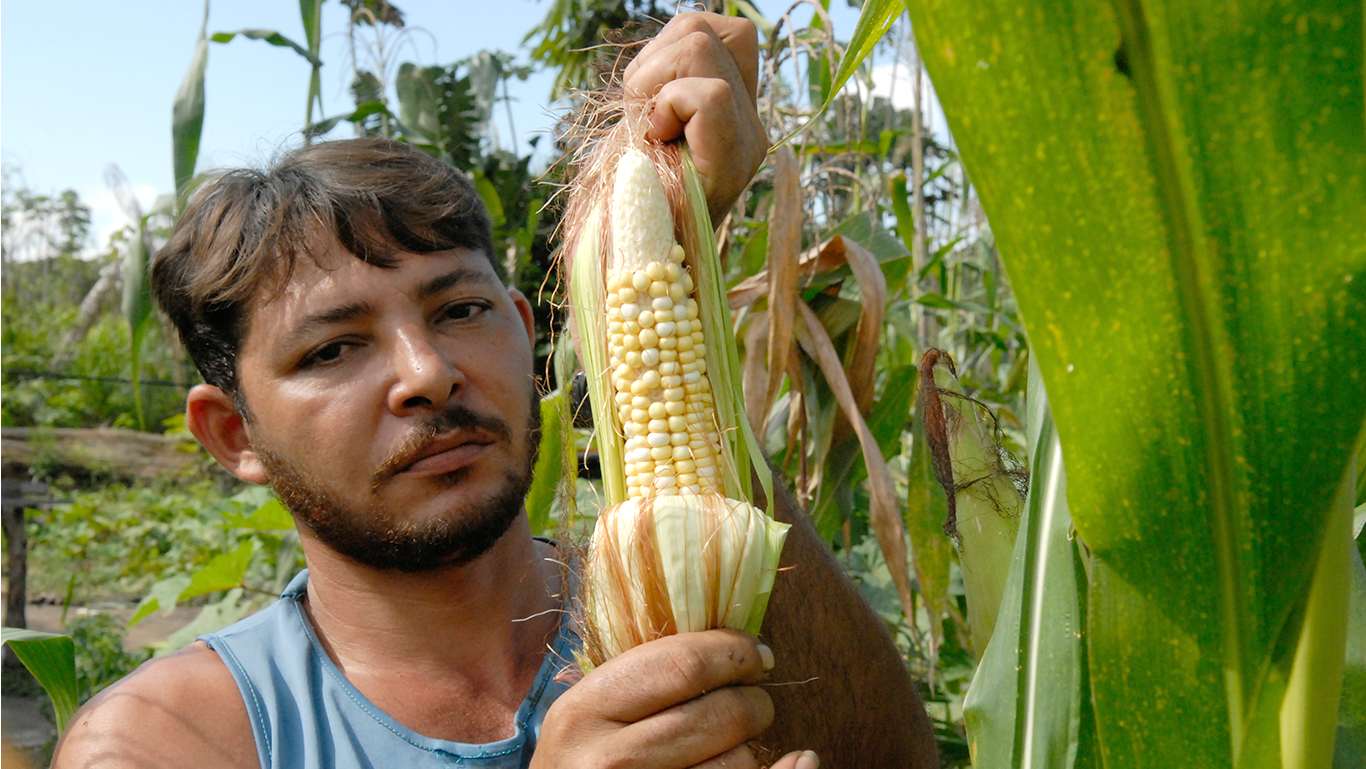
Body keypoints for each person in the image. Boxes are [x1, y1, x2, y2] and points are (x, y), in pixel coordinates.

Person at [52, 13, 937, 769]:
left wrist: (678, 268)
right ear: (231, 434)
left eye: (462, 308)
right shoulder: (166, 738)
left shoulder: (693, 599)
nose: (428, 373)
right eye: (331, 350)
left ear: (527, 328)